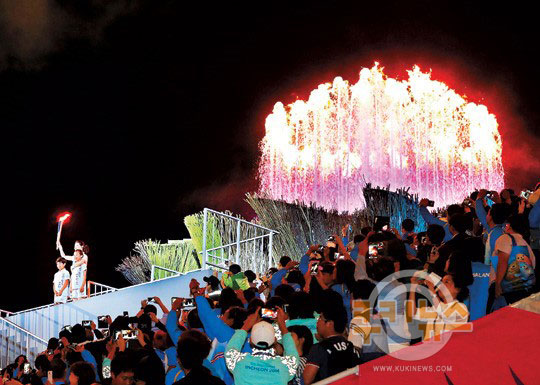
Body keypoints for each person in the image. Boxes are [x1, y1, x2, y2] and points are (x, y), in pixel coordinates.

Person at [225, 307, 299, 385]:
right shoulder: (285, 366)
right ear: (274, 340)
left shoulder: (238, 362)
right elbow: (292, 351)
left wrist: (246, 325)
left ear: (250, 341)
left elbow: (231, 348)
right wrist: (282, 325)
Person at [303, 304, 361, 384]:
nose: (317, 322)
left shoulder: (319, 348)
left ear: (329, 324)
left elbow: (307, 379)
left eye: (320, 318)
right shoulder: (351, 346)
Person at [409, 272, 470, 340]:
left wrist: (431, 288)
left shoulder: (461, 308)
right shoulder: (435, 308)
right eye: (441, 282)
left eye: (446, 282)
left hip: (449, 349)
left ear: (457, 289)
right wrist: (413, 287)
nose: (441, 285)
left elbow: (442, 311)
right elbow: (412, 313)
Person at [493, 214, 536, 304]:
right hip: (525, 289)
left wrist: (497, 284)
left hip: (508, 290)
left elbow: (503, 262)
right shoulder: (526, 244)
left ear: (509, 226)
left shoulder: (505, 238)